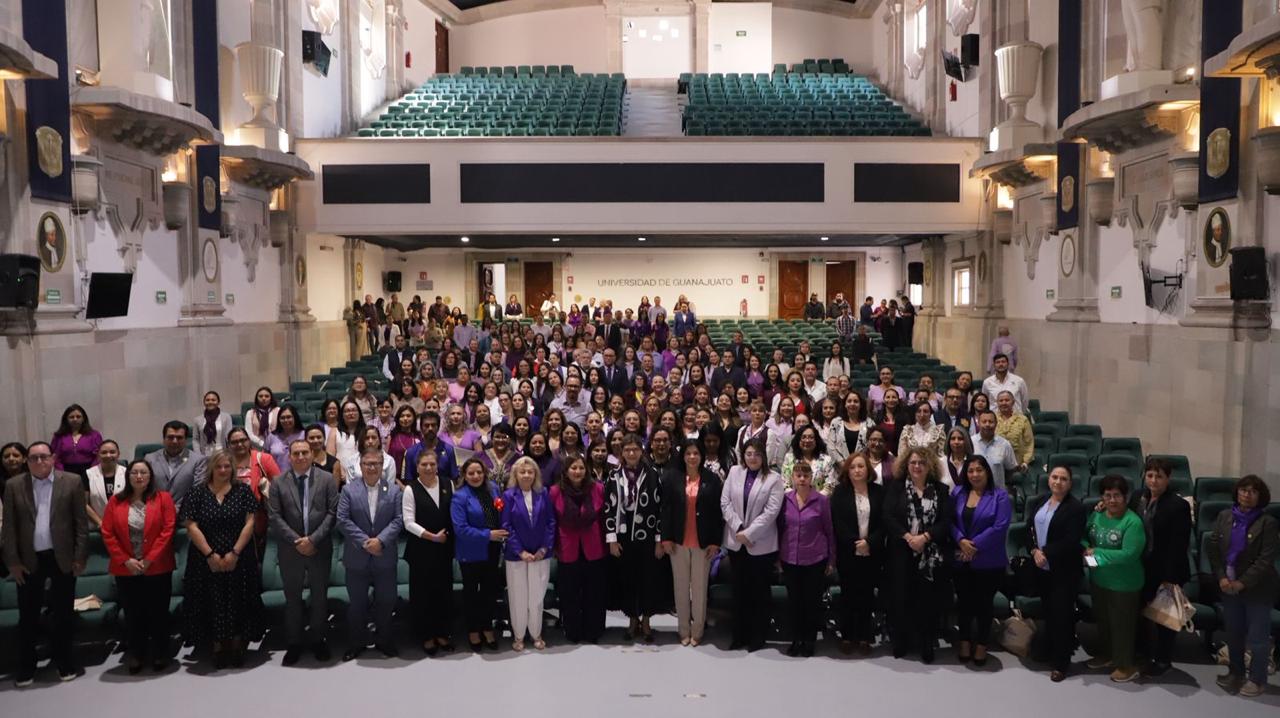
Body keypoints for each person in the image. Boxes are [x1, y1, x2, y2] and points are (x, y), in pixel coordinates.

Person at [2, 441, 88, 685]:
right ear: (26, 461)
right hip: (28, 561)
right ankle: (27, 666)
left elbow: (81, 524)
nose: (39, 462)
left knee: (63, 614)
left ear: (53, 458)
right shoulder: (13, 486)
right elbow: (8, 528)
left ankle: (64, 662)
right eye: (33, 458)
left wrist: (80, 556)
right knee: (27, 615)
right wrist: (13, 562)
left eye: (43, 457)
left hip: (62, 558)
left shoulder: (71, 481)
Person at [180, 449, 262, 670]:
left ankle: (236, 645)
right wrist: (210, 554)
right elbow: (190, 525)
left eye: (227, 466)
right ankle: (217, 646)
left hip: (239, 556)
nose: (223, 470)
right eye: (219, 466)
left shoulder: (243, 491)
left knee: (238, 599)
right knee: (211, 599)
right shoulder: (197, 493)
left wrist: (234, 553)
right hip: (204, 559)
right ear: (211, 468)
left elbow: (250, 523)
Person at [99, 459, 176, 673]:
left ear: (151, 476)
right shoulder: (116, 501)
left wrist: (150, 558)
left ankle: (161, 652)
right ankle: (137, 653)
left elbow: (168, 530)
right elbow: (107, 533)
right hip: (127, 568)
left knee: (158, 612)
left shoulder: (163, 499)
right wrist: (125, 560)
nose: (139, 476)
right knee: (133, 614)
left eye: (143, 472)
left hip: (158, 566)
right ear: (128, 476)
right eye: (135, 473)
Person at [267, 439, 340, 666]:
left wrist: (313, 540)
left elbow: (332, 512)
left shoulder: (327, 479)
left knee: (319, 598)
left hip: (320, 547)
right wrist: (297, 541)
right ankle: (294, 643)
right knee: (293, 599)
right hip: (291, 549)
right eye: (296, 453)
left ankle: (319, 640)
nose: (300, 457)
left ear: (312, 454)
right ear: (289, 457)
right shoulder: (278, 482)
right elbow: (274, 516)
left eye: (305, 453)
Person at [1208, 475, 1279, 697]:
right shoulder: (1225, 516)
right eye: (1243, 490)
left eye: (1252, 491)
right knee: (1234, 634)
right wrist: (1221, 577)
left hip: (1258, 589)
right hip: (1228, 587)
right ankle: (1236, 673)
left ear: (1260, 496)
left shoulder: (1268, 523)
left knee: (1257, 638)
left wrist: (1242, 582)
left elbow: (1265, 560)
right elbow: (1213, 549)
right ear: (1237, 492)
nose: (1246, 495)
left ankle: (1257, 679)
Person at [883, 446, 953, 663]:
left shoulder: (941, 489)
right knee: (901, 598)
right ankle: (901, 641)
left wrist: (924, 538)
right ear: (906, 464)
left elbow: (945, 522)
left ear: (929, 465)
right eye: (913, 462)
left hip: (930, 554)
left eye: (921, 463)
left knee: (927, 600)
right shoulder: (896, 488)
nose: (916, 466)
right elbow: (887, 516)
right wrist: (908, 537)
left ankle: (926, 643)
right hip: (901, 552)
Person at [337, 448, 404, 661]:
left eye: (376, 463)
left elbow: (399, 520)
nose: (372, 467)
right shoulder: (348, 490)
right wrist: (366, 542)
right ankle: (357, 643)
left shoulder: (393, 491)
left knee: (386, 601)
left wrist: (381, 541)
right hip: (357, 557)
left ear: (382, 464)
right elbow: (342, 519)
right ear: (361, 466)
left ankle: (385, 641)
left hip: (384, 557)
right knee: (357, 604)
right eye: (367, 464)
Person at [1130, 457, 1192, 677]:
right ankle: (1143, 653)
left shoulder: (1178, 505)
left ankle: (1164, 659)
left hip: (1167, 568)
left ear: (1168, 478)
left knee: (1164, 616)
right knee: (1142, 611)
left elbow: (1179, 544)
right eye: (1150, 475)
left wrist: (1170, 577)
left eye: (1159, 476)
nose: (1154, 480)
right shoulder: (1138, 497)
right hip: (1141, 565)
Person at [720, 440, 784, 652]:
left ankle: (758, 637)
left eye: (756, 453)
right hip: (737, 543)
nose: (752, 457)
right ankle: (739, 635)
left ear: (763, 456)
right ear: (743, 455)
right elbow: (725, 502)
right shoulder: (734, 472)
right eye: (748, 453)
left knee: (759, 593)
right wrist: (738, 527)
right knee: (739, 592)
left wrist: (749, 533)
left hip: (761, 544)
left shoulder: (774, 479)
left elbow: (771, 512)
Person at [1025, 464, 1088, 682]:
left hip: (1064, 571)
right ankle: (1050, 650)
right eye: (1054, 477)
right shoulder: (1041, 501)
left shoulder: (1076, 508)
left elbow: (1071, 541)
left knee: (1062, 616)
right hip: (1042, 569)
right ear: (1048, 479)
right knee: (1049, 613)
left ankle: (1061, 663)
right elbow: (1029, 530)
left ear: (1070, 483)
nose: (1058, 482)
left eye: (1063, 479)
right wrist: (1033, 550)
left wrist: (1045, 552)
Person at [660, 439, 723, 647]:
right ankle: (683, 630)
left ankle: (698, 631)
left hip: (703, 543)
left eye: (696, 453)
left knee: (699, 588)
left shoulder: (712, 479)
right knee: (680, 587)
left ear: (701, 456)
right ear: (683, 456)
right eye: (688, 453)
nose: (692, 457)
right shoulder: (672, 478)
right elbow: (666, 511)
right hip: (678, 541)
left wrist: (715, 541)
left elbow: (716, 513)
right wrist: (666, 538)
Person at [1084, 475, 1146, 683]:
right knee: (1104, 623)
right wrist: (1086, 550)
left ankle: (1126, 665)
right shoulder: (1097, 516)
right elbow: (1085, 536)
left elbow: (1129, 554)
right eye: (1108, 495)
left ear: (1125, 497)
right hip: (1099, 579)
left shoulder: (1132, 522)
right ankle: (1107, 655)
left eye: (1117, 495)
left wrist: (1097, 552)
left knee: (1122, 626)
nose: (1112, 500)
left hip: (1124, 584)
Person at [950, 456, 1012, 665]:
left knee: (984, 605)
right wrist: (960, 540)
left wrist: (973, 545)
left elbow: (1000, 527)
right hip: (961, 558)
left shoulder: (999, 496)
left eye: (979, 470)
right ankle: (965, 641)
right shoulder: (958, 492)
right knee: (964, 603)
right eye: (970, 471)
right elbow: (949, 520)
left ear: (987, 472)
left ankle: (982, 645)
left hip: (989, 560)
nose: (975, 475)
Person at [605, 432, 665, 643]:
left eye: (635, 449)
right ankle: (632, 619)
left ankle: (647, 620)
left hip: (648, 534)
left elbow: (659, 509)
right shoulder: (613, 475)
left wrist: (659, 540)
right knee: (628, 579)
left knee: (648, 579)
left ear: (642, 451)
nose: (631, 453)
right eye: (627, 450)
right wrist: (611, 540)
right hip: (623, 533)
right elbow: (609, 508)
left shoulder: (654, 474)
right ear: (622, 452)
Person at [777, 460, 836, 657]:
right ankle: (796, 639)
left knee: (811, 602)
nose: (802, 479)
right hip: (790, 558)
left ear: (812, 478)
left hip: (815, 558)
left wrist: (831, 560)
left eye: (806, 476)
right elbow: (780, 529)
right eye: (798, 475)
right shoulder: (785, 500)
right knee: (794, 602)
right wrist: (777, 557)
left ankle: (809, 640)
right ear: (792, 478)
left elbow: (829, 531)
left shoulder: (821, 501)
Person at [401, 449, 455, 656]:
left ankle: (442, 633)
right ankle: (426, 635)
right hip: (421, 550)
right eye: (424, 465)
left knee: (443, 593)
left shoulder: (448, 484)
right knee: (423, 595)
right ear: (417, 467)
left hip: (444, 549)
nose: (429, 468)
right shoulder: (410, 489)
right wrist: (431, 536)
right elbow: (408, 522)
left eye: (432, 464)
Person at [830, 452, 884, 654]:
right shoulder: (840, 492)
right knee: (848, 594)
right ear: (847, 471)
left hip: (872, 552)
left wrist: (869, 542)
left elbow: (883, 522)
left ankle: (864, 635)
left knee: (867, 595)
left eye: (861, 466)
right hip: (848, 552)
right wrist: (855, 543)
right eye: (853, 467)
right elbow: (838, 523)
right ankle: (847, 634)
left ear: (868, 469)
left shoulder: (878, 492)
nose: (857, 470)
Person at [501, 457, 557, 651]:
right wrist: (521, 551)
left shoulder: (544, 493)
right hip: (517, 555)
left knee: (536, 596)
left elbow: (551, 523)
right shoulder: (508, 496)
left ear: (536, 474)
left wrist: (544, 548)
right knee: (518, 597)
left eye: (530, 472)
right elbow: (506, 526)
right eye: (522, 472)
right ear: (516, 474)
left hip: (540, 554)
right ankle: (518, 635)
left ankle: (536, 633)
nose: (526, 475)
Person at [551, 455, 608, 644]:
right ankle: (572, 631)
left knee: (595, 593)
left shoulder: (598, 489)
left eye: (581, 468)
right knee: (570, 593)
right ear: (566, 472)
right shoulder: (554, 491)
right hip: (567, 548)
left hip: (594, 548)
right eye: (573, 468)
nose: (577, 472)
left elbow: (603, 520)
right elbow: (552, 522)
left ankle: (594, 631)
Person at [452, 458, 507, 652]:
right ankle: (473, 629)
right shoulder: (459, 496)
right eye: (471, 473)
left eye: (479, 472)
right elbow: (460, 529)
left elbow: (501, 514)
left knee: (489, 591)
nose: (476, 476)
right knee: (471, 594)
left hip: (492, 550)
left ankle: (486, 627)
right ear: (464, 476)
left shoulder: (493, 489)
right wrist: (488, 535)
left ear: (484, 473)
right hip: (471, 550)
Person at [146, 420, 208, 514]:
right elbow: (144, 489)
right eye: (170, 437)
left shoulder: (198, 461)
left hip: (184, 516)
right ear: (163, 439)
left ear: (186, 440)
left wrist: (173, 510)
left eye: (179, 438)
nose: (175, 441)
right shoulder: (150, 459)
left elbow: (197, 493)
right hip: (154, 514)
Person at [50, 404, 102, 479]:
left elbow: (98, 456)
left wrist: (92, 471)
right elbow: (55, 457)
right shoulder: (59, 436)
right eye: (71, 417)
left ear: (83, 418)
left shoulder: (94, 435)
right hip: (66, 471)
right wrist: (60, 472)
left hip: (89, 471)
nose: (75, 419)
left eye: (78, 417)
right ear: (66, 419)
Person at [781, 425, 837, 495]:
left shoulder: (826, 460)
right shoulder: (789, 458)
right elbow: (784, 484)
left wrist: (814, 500)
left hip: (818, 502)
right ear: (798, 440)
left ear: (816, 440)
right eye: (803, 437)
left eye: (811, 437)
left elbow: (830, 485)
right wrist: (796, 499)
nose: (807, 440)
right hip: (793, 502)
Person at [972, 410, 1019, 489]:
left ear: (996, 424)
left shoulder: (1004, 444)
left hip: (996, 493)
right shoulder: (970, 443)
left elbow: (1011, 470)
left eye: (991, 422)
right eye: (984, 421)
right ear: (978, 423)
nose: (987, 424)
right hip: (974, 493)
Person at [84, 440, 125, 528]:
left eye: (112, 452)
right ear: (98, 456)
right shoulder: (88, 474)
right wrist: (100, 522)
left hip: (123, 525)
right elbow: (84, 504)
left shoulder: (128, 473)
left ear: (118, 454)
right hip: (96, 525)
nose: (108, 455)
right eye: (104, 452)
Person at [995, 391, 1034, 467]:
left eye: (1007, 400)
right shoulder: (992, 419)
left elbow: (1029, 443)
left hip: (1018, 465)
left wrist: (1025, 462)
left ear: (1013, 402)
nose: (1004, 403)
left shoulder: (1023, 420)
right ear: (997, 403)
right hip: (996, 464)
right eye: (1001, 401)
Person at [194, 391, 233, 455]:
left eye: (213, 400)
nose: (210, 402)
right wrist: (198, 455)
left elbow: (229, 437)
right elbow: (195, 439)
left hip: (222, 454)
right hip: (204, 455)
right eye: (207, 400)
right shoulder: (197, 420)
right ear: (204, 402)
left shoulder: (226, 417)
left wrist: (229, 454)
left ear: (218, 402)